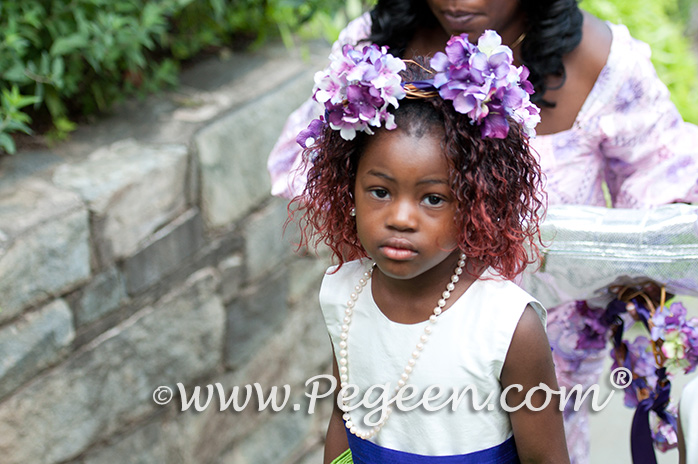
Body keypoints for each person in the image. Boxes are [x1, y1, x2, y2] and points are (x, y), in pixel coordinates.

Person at [270, 1, 698, 461]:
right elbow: (315, 161)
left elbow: (665, 205)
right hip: (400, 343)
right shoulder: (373, 50)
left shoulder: (603, 63)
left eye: (434, 197)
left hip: (548, 361)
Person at [290, 35, 569, 463]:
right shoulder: (342, 292)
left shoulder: (508, 326)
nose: (401, 218)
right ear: (350, 189)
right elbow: (342, 422)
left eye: (433, 198)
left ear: (477, 202)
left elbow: (546, 459)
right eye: (380, 191)